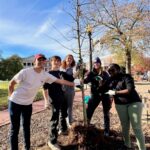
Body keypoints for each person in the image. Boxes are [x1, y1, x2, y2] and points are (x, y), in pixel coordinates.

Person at [8, 54, 74, 150]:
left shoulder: (45, 75)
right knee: (15, 129)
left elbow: (60, 81)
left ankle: (27, 148)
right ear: (35, 61)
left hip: (28, 104)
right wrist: (11, 97)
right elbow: (11, 84)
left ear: (45, 62)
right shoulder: (25, 72)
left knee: (26, 128)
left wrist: (74, 83)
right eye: (39, 60)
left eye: (43, 60)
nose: (41, 61)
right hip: (15, 103)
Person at [106, 63, 146, 150]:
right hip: (120, 105)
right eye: (109, 71)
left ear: (118, 69)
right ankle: (127, 146)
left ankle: (142, 148)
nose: (110, 72)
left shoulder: (126, 77)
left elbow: (130, 89)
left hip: (133, 103)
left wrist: (115, 92)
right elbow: (103, 88)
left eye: (112, 70)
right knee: (124, 126)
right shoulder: (110, 80)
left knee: (136, 127)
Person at [43, 56, 74, 150]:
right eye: (54, 61)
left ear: (61, 63)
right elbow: (44, 88)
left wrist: (81, 70)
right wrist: (46, 101)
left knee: (63, 115)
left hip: (62, 97)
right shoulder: (48, 74)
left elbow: (72, 79)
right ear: (51, 62)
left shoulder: (61, 73)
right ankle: (52, 141)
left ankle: (63, 129)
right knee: (54, 119)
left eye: (58, 61)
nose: (56, 63)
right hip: (54, 99)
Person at [83, 57, 111, 136]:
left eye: (97, 63)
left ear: (100, 64)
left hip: (105, 94)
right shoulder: (91, 73)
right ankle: (87, 125)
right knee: (89, 110)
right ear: (93, 64)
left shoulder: (104, 73)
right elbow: (85, 81)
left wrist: (102, 80)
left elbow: (109, 82)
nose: (96, 64)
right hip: (95, 95)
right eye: (95, 63)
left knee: (106, 113)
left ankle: (107, 130)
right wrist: (83, 75)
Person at [61, 54, 76, 126]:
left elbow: (74, 79)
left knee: (69, 106)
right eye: (68, 58)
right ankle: (62, 123)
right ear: (65, 59)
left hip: (70, 90)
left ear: (72, 60)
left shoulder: (74, 69)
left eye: (71, 59)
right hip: (61, 90)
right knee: (62, 108)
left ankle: (70, 122)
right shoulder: (61, 68)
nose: (69, 59)